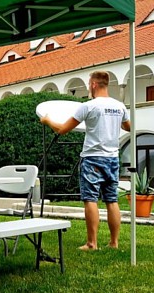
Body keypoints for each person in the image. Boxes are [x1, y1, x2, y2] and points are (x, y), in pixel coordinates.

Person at [40, 71, 131, 251]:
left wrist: (47, 120)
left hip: (93, 158)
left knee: (90, 199)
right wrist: (113, 122)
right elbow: (128, 127)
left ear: (94, 84)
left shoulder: (88, 106)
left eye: (89, 83)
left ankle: (92, 243)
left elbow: (62, 129)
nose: (89, 86)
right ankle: (114, 242)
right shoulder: (119, 106)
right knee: (111, 200)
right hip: (113, 158)